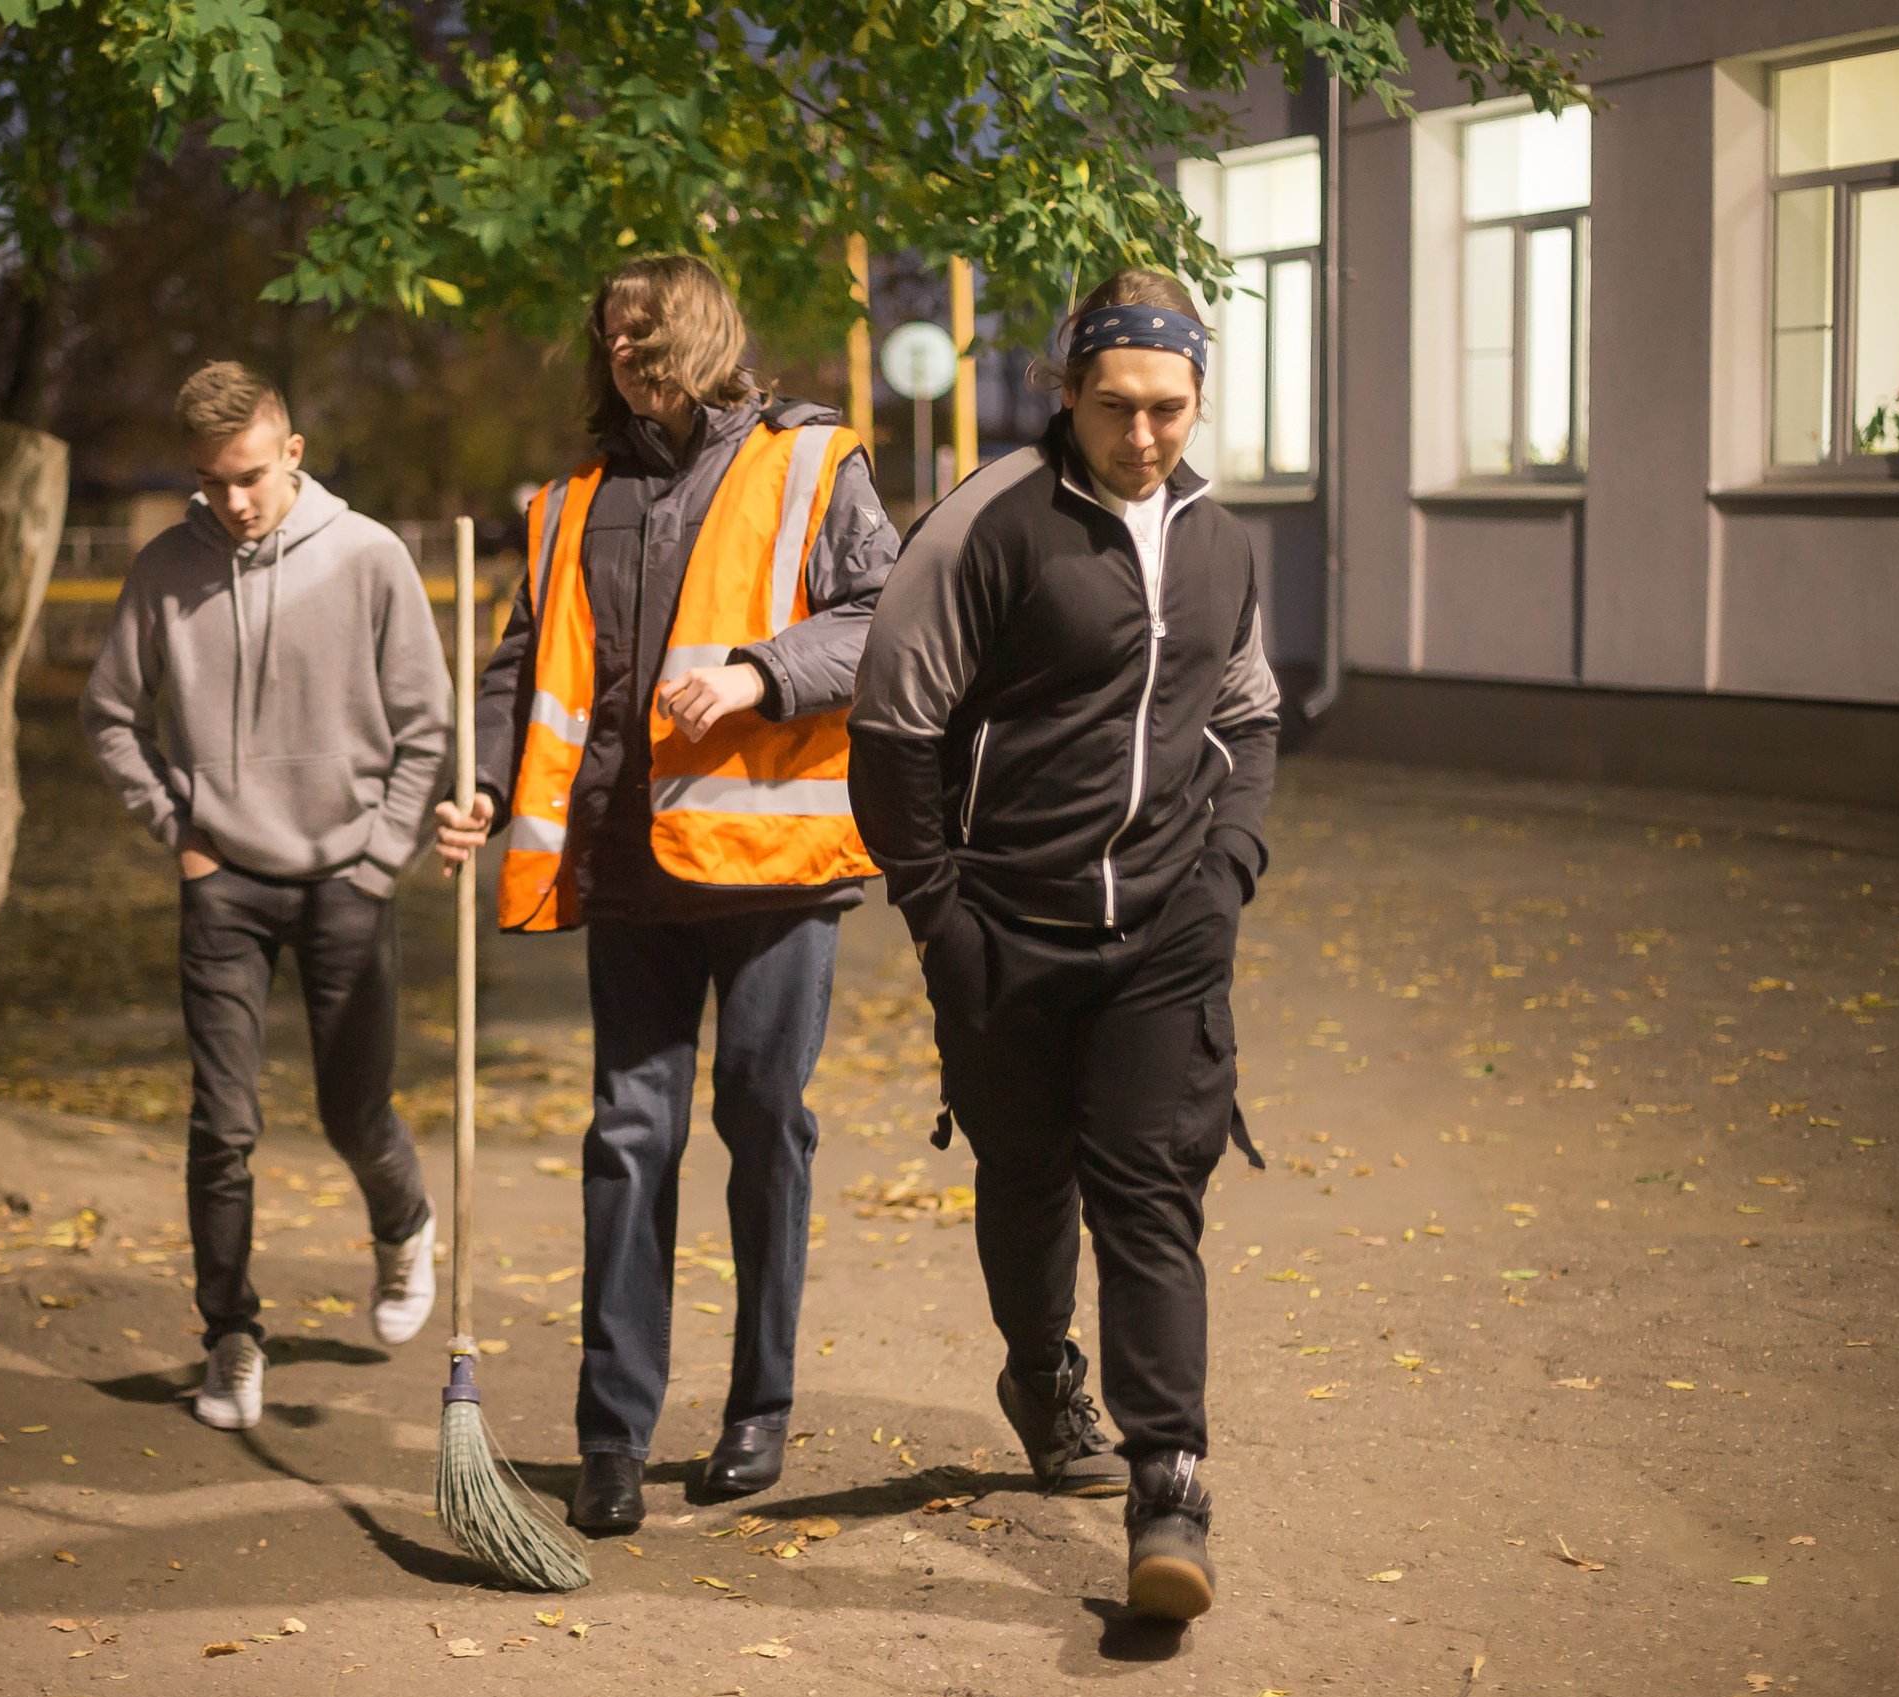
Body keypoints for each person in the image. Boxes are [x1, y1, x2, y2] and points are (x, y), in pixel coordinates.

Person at [433, 255, 897, 1534]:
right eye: (612, 333)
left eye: (648, 329)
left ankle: (759, 1406)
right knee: (629, 1140)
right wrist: (481, 780)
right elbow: (520, 666)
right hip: (629, 864)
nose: (627, 349)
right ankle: (613, 1436)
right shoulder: (569, 500)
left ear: (706, 330)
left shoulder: (811, 461)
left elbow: (885, 615)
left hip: (772, 867)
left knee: (763, 1120)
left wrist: (758, 672)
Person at [848, 269, 1278, 1621]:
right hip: (1008, 929)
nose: (1142, 436)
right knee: (1028, 1174)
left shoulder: (1220, 542)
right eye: (1114, 407)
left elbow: (1248, 713)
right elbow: (893, 730)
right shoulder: (985, 524)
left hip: (1166, 926)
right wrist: (940, 916)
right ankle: (1040, 1372)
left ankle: (1170, 1490)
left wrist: (1226, 870)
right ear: (1066, 392)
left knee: (1147, 1189)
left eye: (1168, 409)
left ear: (1198, 400)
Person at [83, 362, 453, 1432]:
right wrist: (179, 829)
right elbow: (110, 715)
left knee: (354, 1111)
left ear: (292, 452)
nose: (233, 500)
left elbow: (426, 724)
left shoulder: (368, 555)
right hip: (225, 884)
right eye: (211, 481)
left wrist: (379, 859)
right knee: (223, 1125)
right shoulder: (166, 569)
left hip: (347, 875)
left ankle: (403, 1225)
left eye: (248, 475)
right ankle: (231, 1334)